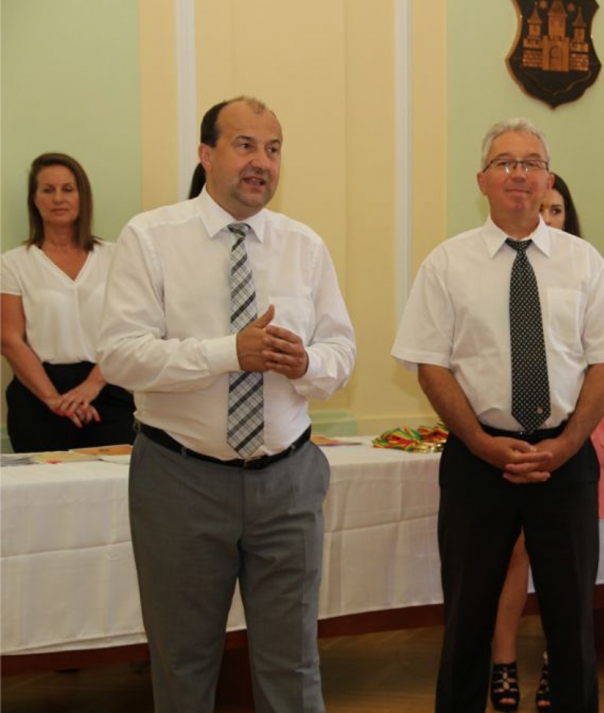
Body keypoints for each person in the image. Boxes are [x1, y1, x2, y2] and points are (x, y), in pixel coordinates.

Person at [98, 96, 356, 713]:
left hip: (288, 480)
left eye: (273, 148)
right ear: (206, 155)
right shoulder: (150, 237)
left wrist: (307, 364)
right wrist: (228, 353)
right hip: (180, 479)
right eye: (245, 146)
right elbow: (121, 357)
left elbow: (341, 351)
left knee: (293, 665)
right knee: (184, 665)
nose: (261, 161)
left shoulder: (304, 245)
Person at [392, 118, 604, 713]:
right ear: (482, 180)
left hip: (565, 459)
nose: (518, 174)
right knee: (467, 620)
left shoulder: (584, 263)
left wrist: (568, 443)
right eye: (504, 162)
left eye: (532, 163)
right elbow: (431, 366)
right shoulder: (446, 265)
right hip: (478, 460)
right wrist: (481, 443)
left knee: (572, 621)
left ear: (548, 180)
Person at [487, 174, 604, 712]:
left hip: (577, 434)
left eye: (557, 211)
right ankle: (503, 660)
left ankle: (559, 663)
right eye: (543, 208)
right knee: (514, 555)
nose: (547, 217)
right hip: (511, 437)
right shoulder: (486, 267)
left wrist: (573, 436)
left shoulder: (583, 267)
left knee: (567, 566)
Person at [1, 153, 136, 452]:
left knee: (117, 478)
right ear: (34, 199)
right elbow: (9, 340)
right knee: (45, 480)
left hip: (106, 386)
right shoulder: (13, 264)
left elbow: (130, 328)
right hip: (38, 396)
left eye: (67, 189)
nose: (58, 198)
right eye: (48, 190)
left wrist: (91, 386)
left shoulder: (115, 256)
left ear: (81, 196)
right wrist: (54, 399)